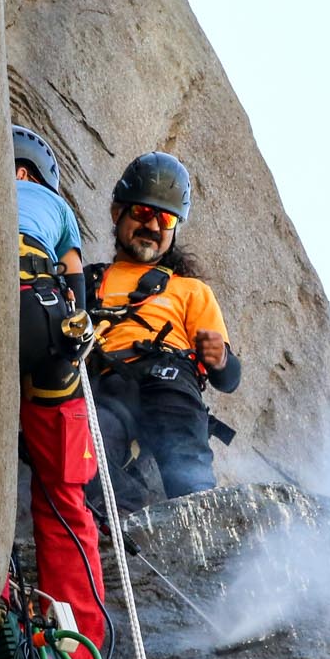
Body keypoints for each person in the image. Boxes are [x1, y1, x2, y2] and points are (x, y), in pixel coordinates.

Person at [10, 125, 110, 659]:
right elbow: (76, 284)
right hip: (45, 314)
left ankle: (1, 611)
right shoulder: (57, 205)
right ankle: (79, 654)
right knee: (63, 494)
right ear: (32, 173)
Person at [86, 151, 241, 502]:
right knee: (87, 458)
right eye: (143, 212)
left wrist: (218, 359)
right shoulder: (89, 281)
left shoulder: (190, 290)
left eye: (166, 219)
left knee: (184, 455)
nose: (154, 226)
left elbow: (229, 378)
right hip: (106, 385)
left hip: (168, 376)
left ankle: (196, 515)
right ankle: (130, 514)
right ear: (117, 212)